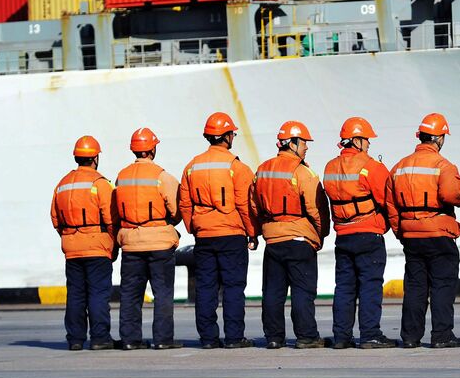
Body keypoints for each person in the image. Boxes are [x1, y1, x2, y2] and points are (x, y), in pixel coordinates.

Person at [386, 113, 460, 349]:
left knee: (415, 287)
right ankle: (442, 335)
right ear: (439, 138)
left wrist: (401, 232)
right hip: (438, 234)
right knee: (442, 285)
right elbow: (453, 195)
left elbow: (391, 205)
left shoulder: (399, 167)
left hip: (412, 237)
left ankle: (410, 337)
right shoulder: (443, 166)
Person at [178, 112, 258, 350]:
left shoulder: (192, 167)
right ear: (226, 136)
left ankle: (208, 339)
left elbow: (185, 204)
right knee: (233, 287)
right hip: (232, 235)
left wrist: (194, 227)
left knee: (206, 288)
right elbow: (246, 204)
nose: (233, 136)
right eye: (232, 133)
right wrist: (252, 232)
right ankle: (234, 337)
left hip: (204, 236)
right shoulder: (237, 167)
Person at [253, 121, 330, 349]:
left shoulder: (262, 170)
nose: (307, 147)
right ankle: (306, 336)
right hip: (299, 240)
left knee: (273, 292)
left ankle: (274, 337)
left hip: (273, 240)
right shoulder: (302, 172)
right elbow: (317, 209)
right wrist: (321, 234)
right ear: (293, 143)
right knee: (302, 290)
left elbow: (253, 205)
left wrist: (258, 231)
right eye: (304, 143)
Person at [322, 117, 396, 349]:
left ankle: (342, 336)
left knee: (344, 287)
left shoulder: (329, 167)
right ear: (356, 140)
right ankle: (370, 335)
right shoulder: (372, 167)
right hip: (368, 234)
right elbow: (388, 200)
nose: (368, 144)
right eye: (366, 140)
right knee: (370, 285)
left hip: (343, 236)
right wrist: (392, 226)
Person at [114, 127, 182, 350]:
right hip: (160, 243)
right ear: (152, 149)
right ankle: (163, 340)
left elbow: (115, 210)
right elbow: (176, 209)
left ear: (134, 150)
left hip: (131, 244)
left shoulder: (121, 177)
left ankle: (130, 340)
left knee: (131, 294)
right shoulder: (162, 176)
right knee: (162, 293)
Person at [50, 136, 117, 351]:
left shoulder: (62, 185)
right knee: (98, 293)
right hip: (97, 245)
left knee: (76, 294)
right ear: (95, 158)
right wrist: (114, 244)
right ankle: (100, 338)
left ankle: (75, 339)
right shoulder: (100, 184)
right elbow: (111, 217)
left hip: (71, 248)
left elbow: (55, 219)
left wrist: (69, 235)